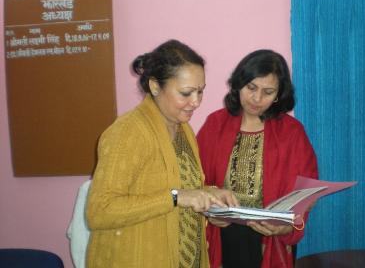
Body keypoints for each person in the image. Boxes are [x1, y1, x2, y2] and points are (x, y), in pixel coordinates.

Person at [85, 39, 238, 268]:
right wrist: (176, 197)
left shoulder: (183, 129)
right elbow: (100, 211)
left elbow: (175, 187)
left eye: (200, 91)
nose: (195, 102)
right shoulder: (128, 132)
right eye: (186, 93)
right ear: (155, 86)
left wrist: (210, 198)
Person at [197, 49, 319, 268]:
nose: (256, 98)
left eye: (268, 91)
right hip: (221, 235)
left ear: (279, 95)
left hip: (270, 238)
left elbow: (307, 194)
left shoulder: (292, 132)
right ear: (238, 84)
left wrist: (288, 226)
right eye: (251, 88)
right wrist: (209, 212)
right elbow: (195, 182)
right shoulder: (215, 125)